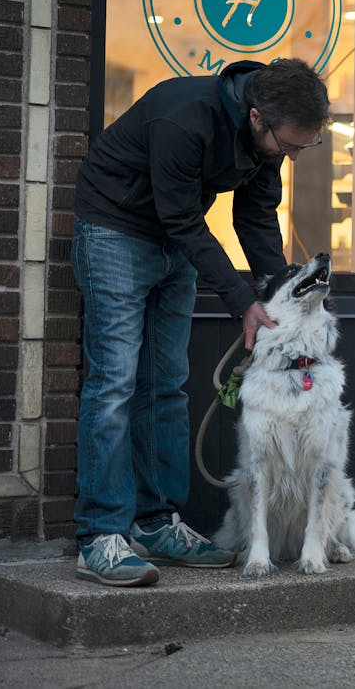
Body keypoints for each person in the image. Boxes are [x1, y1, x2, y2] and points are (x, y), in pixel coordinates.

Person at [72, 57, 329, 587]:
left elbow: (255, 216)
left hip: (175, 242)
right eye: (290, 145)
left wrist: (276, 292)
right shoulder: (183, 116)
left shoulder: (269, 137)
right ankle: (99, 535)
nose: (294, 154)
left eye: (304, 147)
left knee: (166, 384)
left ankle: (156, 523)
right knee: (116, 383)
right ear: (257, 117)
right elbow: (184, 218)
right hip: (115, 231)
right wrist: (242, 302)